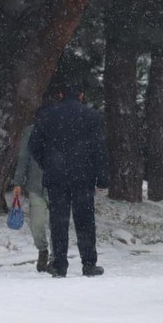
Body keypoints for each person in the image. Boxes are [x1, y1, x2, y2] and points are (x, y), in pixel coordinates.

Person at [29, 81, 109, 278]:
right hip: (83, 176)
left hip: (56, 175)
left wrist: (47, 163)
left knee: (58, 221)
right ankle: (89, 263)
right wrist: (102, 179)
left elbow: (34, 145)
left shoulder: (48, 115)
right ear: (81, 95)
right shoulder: (92, 117)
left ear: (60, 94)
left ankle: (59, 264)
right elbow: (100, 150)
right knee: (85, 221)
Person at [12, 122, 53, 272]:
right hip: (36, 185)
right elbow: (24, 156)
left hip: (60, 185)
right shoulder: (31, 131)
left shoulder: (69, 128)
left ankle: (55, 258)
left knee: (57, 225)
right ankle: (43, 250)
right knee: (37, 223)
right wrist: (18, 182)